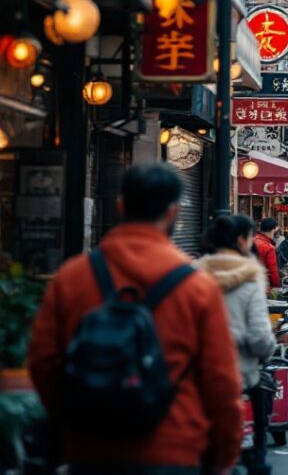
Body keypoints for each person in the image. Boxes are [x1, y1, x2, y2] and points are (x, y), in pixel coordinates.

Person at [28, 163, 243, 473]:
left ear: (120, 206)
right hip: (174, 448)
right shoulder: (197, 286)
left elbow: (44, 363)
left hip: (89, 451)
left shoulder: (72, 277)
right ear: (174, 212)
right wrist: (223, 456)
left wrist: (74, 422)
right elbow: (221, 382)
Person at [195, 215, 277, 475]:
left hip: (201, 380)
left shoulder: (192, 277)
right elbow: (260, 340)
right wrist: (270, 347)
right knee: (253, 450)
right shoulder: (250, 280)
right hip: (241, 379)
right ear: (241, 240)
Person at [254, 217, 282, 288]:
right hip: (263, 285)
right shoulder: (269, 247)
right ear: (273, 229)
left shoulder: (251, 241)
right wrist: (277, 287)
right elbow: (273, 271)